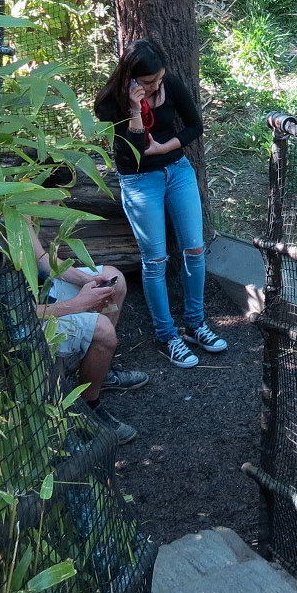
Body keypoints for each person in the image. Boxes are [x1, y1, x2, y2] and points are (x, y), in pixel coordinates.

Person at [95, 39, 227, 369]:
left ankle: (196, 324)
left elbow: (195, 126)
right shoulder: (111, 102)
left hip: (177, 170)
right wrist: (136, 110)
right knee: (155, 259)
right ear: (131, 78)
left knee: (194, 248)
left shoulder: (170, 85)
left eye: (159, 78)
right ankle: (167, 335)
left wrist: (167, 146)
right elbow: (135, 150)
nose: (156, 85)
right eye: (149, 81)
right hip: (140, 180)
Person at [0, 215, 147, 437]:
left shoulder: (9, 208)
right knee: (103, 331)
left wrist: (86, 281)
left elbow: (42, 259)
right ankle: (90, 407)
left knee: (113, 278)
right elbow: (20, 312)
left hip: (37, 293)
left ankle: (100, 371)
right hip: (17, 322)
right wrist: (77, 304)